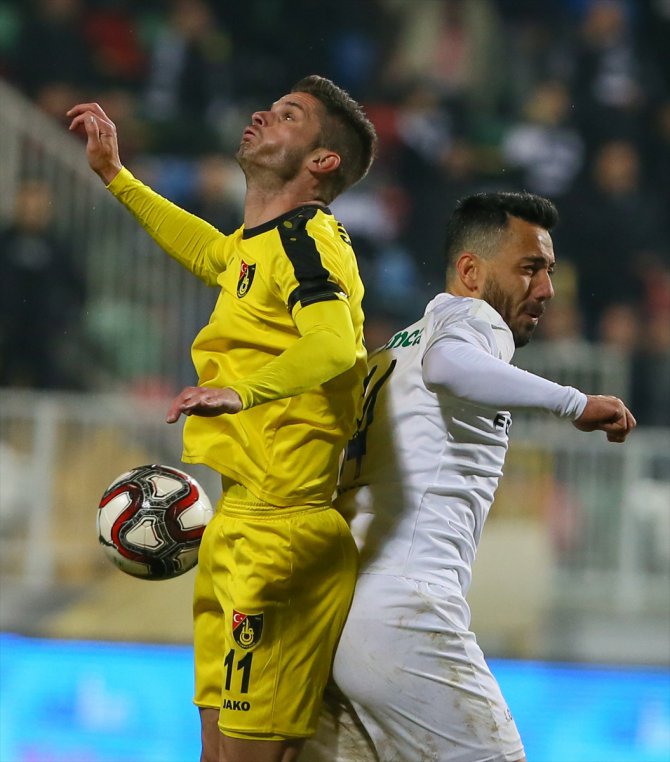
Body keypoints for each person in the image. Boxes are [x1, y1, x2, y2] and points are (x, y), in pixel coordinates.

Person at [67, 74, 377, 762]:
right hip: (235, 521)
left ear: (321, 160)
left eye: (289, 116)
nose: (263, 113)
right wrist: (116, 175)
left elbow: (335, 344)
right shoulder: (258, 244)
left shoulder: (309, 240)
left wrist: (243, 392)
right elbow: (211, 252)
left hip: (284, 534)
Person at [325, 191, 636, 762]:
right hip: (406, 608)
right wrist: (573, 402)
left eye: (549, 271)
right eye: (529, 268)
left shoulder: (394, 349)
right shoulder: (472, 319)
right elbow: (450, 365)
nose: (546, 289)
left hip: (341, 612)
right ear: (470, 272)